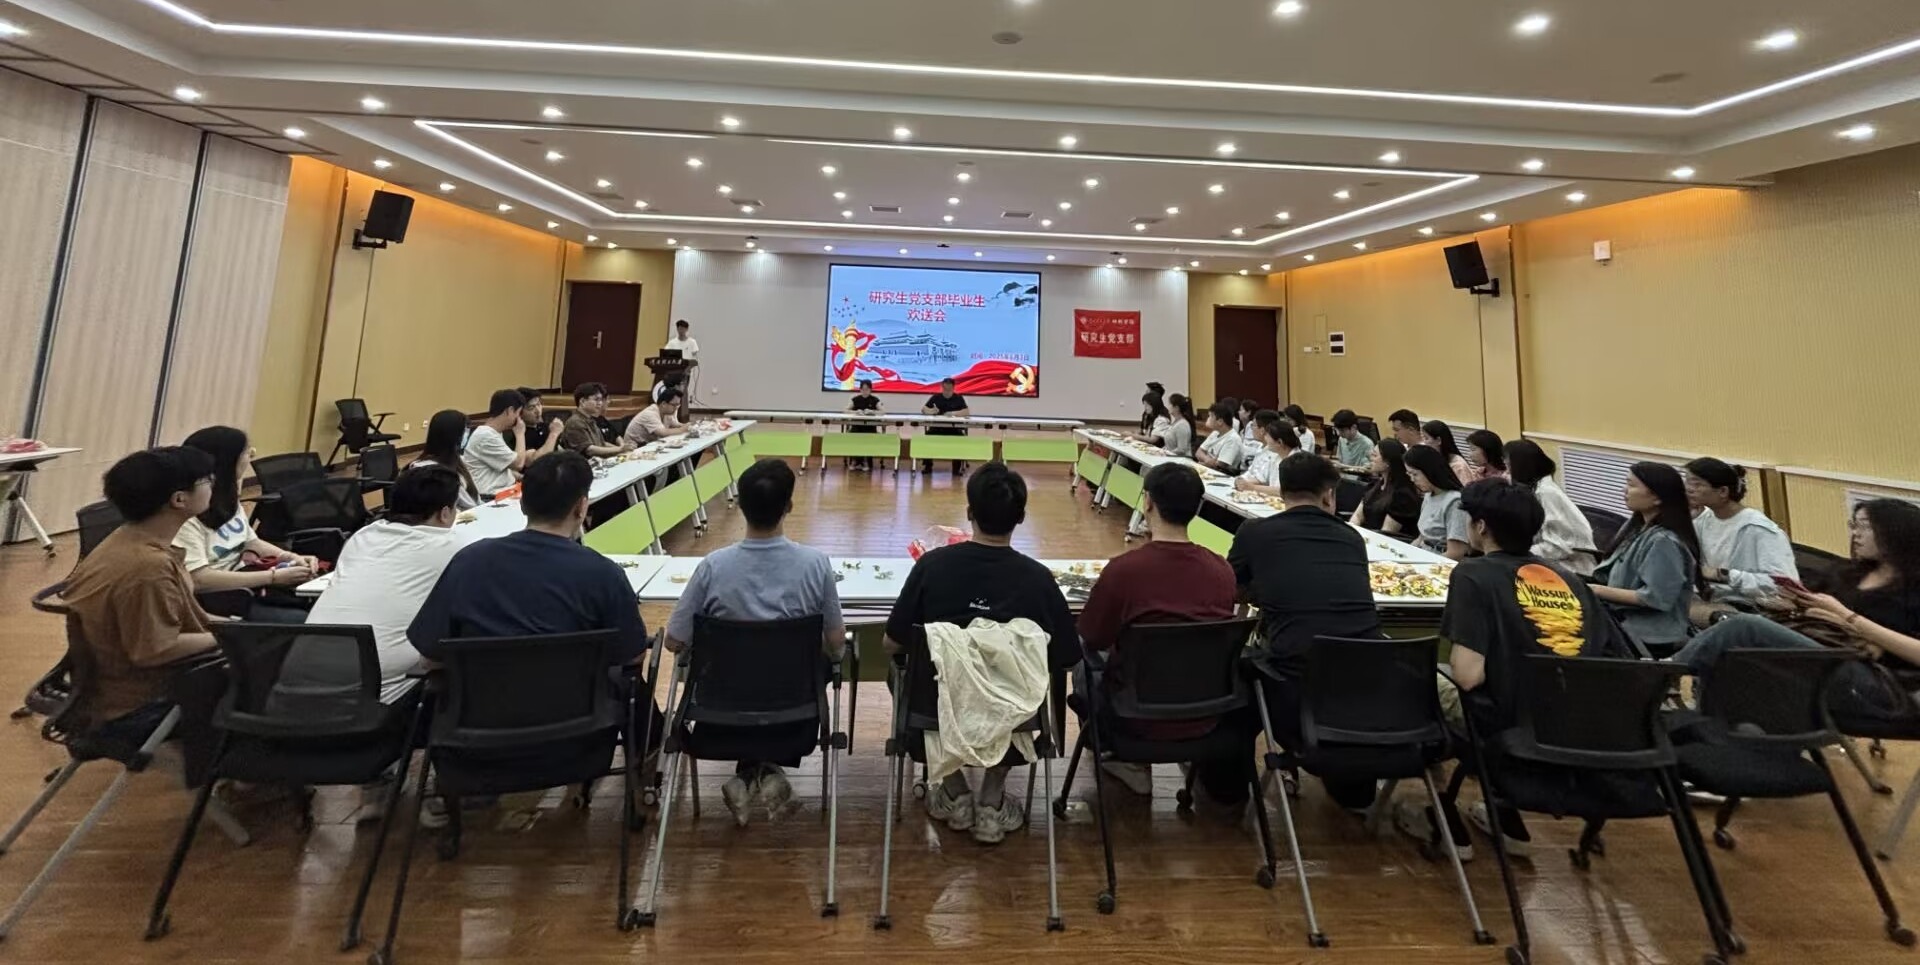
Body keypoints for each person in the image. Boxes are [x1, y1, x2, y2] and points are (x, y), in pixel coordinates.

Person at [407, 452, 657, 827]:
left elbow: (429, 653)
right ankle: (644, 783)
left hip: (476, 741)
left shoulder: (468, 562)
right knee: (634, 686)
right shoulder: (602, 574)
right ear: (582, 507)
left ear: (521, 503)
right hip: (580, 739)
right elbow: (633, 655)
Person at [1395, 478, 1628, 859]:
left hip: (1505, 722)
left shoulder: (1472, 575)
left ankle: (1429, 804)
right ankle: (1498, 808)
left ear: (1481, 526)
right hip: (1576, 727)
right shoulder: (1572, 581)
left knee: (1410, 673)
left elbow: (1468, 676)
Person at [884, 463, 1077, 844]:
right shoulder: (1038, 580)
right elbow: (1068, 658)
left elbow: (892, 643)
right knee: (1019, 686)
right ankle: (992, 797)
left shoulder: (931, 566)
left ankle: (954, 789)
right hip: (1011, 716)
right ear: (1021, 517)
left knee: (902, 671)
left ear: (969, 512)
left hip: (937, 710)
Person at [664, 459, 845, 826]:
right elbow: (836, 643)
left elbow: (673, 641)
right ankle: (764, 770)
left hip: (718, 715)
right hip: (795, 716)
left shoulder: (713, 566)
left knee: (747, 671)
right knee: (810, 666)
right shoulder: (815, 564)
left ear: (742, 506)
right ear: (789, 506)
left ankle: (750, 772)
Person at [1076, 464, 1241, 801]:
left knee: (1082, 655)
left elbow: (1093, 637)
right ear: (1198, 507)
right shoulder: (1222, 570)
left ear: (1147, 502)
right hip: (1207, 713)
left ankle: (1121, 757)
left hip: (1133, 714)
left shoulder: (1124, 571)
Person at [1674, 499, 1920, 725]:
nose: (1855, 534)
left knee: (1743, 627)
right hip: (1825, 652)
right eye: (1853, 525)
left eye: (1864, 527)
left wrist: (1848, 618)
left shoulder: (1914, 588)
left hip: (1877, 680)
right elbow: (1820, 612)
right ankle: (1704, 727)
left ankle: (1665, 675)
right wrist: (1795, 604)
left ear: (1895, 532)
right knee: (1736, 653)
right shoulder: (1849, 573)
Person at [1229, 453, 1384, 809]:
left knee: (1237, 668)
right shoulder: (1351, 538)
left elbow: (1231, 589)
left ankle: (1229, 786)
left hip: (1293, 691)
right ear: (1329, 495)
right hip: (1368, 695)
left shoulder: (1256, 532)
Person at [61, 446, 218, 735]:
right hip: (141, 704)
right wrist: (227, 636)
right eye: (206, 480)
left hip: (121, 688)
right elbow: (155, 651)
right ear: (179, 499)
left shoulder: (126, 538)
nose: (213, 484)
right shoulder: (148, 567)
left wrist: (233, 627)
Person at [297, 466, 464, 705]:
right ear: (445, 513)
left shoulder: (362, 537)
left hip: (299, 677)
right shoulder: (452, 547)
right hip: (377, 694)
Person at [177, 426, 314, 621]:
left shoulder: (225, 499)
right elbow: (199, 580)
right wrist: (272, 578)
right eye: (245, 451)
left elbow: (250, 541)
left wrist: (290, 557)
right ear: (227, 461)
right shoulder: (186, 515)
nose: (252, 454)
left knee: (317, 602)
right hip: (218, 599)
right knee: (305, 619)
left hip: (247, 583)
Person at [1589, 462, 1701, 655]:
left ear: (1657, 497)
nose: (1625, 490)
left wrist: (1596, 590)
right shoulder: (1636, 528)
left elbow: (1656, 597)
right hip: (1620, 622)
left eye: (1631, 485)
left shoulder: (1664, 541)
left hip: (1649, 636)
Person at [1684, 457, 1798, 610]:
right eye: (1687, 482)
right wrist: (1683, 520)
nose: (1688, 489)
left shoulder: (1759, 528)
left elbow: (1784, 586)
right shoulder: (1703, 520)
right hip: (1714, 600)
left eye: (1697, 484)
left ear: (1723, 491)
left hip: (1748, 607)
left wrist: (1722, 575)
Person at [1505, 440, 1596, 574]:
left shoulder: (1546, 493)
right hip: (1553, 561)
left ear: (1520, 467)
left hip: (1572, 567)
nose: (1506, 471)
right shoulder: (1536, 489)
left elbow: (1558, 546)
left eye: (1508, 465)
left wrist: (1519, 554)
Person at [464, 388, 554, 494]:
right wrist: (520, 434)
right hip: (491, 495)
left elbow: (503, 467)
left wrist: (524, 478)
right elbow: (518, 464)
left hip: (506, 489)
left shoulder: (494, 433)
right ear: (510, 411)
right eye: (518, 413)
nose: (519, 418)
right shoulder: (485, 436)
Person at [1404, 444, 1470, 560]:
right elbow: (1422, 538)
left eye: (1415, 474)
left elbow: (1455, 553)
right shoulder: (1429, 495)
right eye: (1409, 474)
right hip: (1423, 553)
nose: (1412, 480)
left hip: (1439, 561)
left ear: (1430, 471)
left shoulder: (1454, 502)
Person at [411, 409, 480, 510]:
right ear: (452, 435)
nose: (467, 434)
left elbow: (473, 498)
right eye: (465, 431)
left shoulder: (458, 460)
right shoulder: (427, 470)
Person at [1350, 439, 1421, 535]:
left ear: (1387, 462)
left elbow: (1386, 532)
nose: (1371, 458)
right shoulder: (1375, 485)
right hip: (1365, 535)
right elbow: (1358, 516)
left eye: (1375, 455)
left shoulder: (1402, 495)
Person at [559, 382, 634, 458]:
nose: (600, 403)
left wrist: (623, 449)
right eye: (596, 400)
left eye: (601, 400)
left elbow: (601, 444)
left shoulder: (591, 420)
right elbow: (589, 450)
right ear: (582, 401)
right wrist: (619, 449)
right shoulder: (575, 422)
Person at [1232, 411, 1298, 497]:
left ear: (1279, 442)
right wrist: (1241, 481)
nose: (1265, 438)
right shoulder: (1276, 457)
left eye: (1267, 436)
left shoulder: (1296, 461)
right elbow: (1260, 477)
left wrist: (1252, 487)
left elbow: (1283, 491)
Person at [920, 377, 971, 477]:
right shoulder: (936, 397)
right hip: (937, 428)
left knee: (960, 440)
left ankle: (956, 468)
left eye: (949, 389)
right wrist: (931, 411)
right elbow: (924, 409)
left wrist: (954, 413)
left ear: (953, 388)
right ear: (942, 387)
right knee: (928, 437)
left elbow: (966, 411)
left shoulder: (958, 398)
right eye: (945, 389)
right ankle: (928, 466)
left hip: (954, 428)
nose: (947, 391)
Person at [625, 385, 689, 447]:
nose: (676, 408)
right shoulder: (650, 413)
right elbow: (663, 433)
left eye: (678, 405)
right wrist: (682, 429)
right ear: (663, 404)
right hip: (634, 447)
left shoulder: (667, 412)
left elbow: (675, 424)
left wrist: (689, 426)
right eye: (674, 405)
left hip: (649, 445)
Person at [1193, 402, 1246, 473]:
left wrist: (1202, 463)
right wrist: (1207, 460)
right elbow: (1198, 452)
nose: (1208, 419)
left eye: (1211, 416)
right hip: (1208, 469)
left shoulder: (1233, 439)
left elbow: (1220, 465)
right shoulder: (1215, 433)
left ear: (1220, 421)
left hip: (1222, 474)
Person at [846, 378, 884, 472]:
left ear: (870, 389)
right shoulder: (856, 399)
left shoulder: (874, 400)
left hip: (869, 427)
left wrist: (872, 412)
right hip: (856, 426)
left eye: (867, 389)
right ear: (860, 389)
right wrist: (855, 412)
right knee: (854, 436)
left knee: (868, 438)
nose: (865, 391)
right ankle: (854, 461)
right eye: (862, 389)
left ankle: (866, 461)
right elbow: (845, 410)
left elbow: (883, 412)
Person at [1421, 419, 1475, 484]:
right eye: (1423, 438)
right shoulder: (1432, 459)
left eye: (1426, 438)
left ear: (1438, 440)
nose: (1424, 443)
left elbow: (1466, 488)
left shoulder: (1458, 465)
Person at [511, 387, 558, 452]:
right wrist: (554, 434)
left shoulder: (547, 427)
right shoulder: (518, 435)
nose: (538, 411)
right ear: (519, 412)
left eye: (538, 404)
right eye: (531, 407)